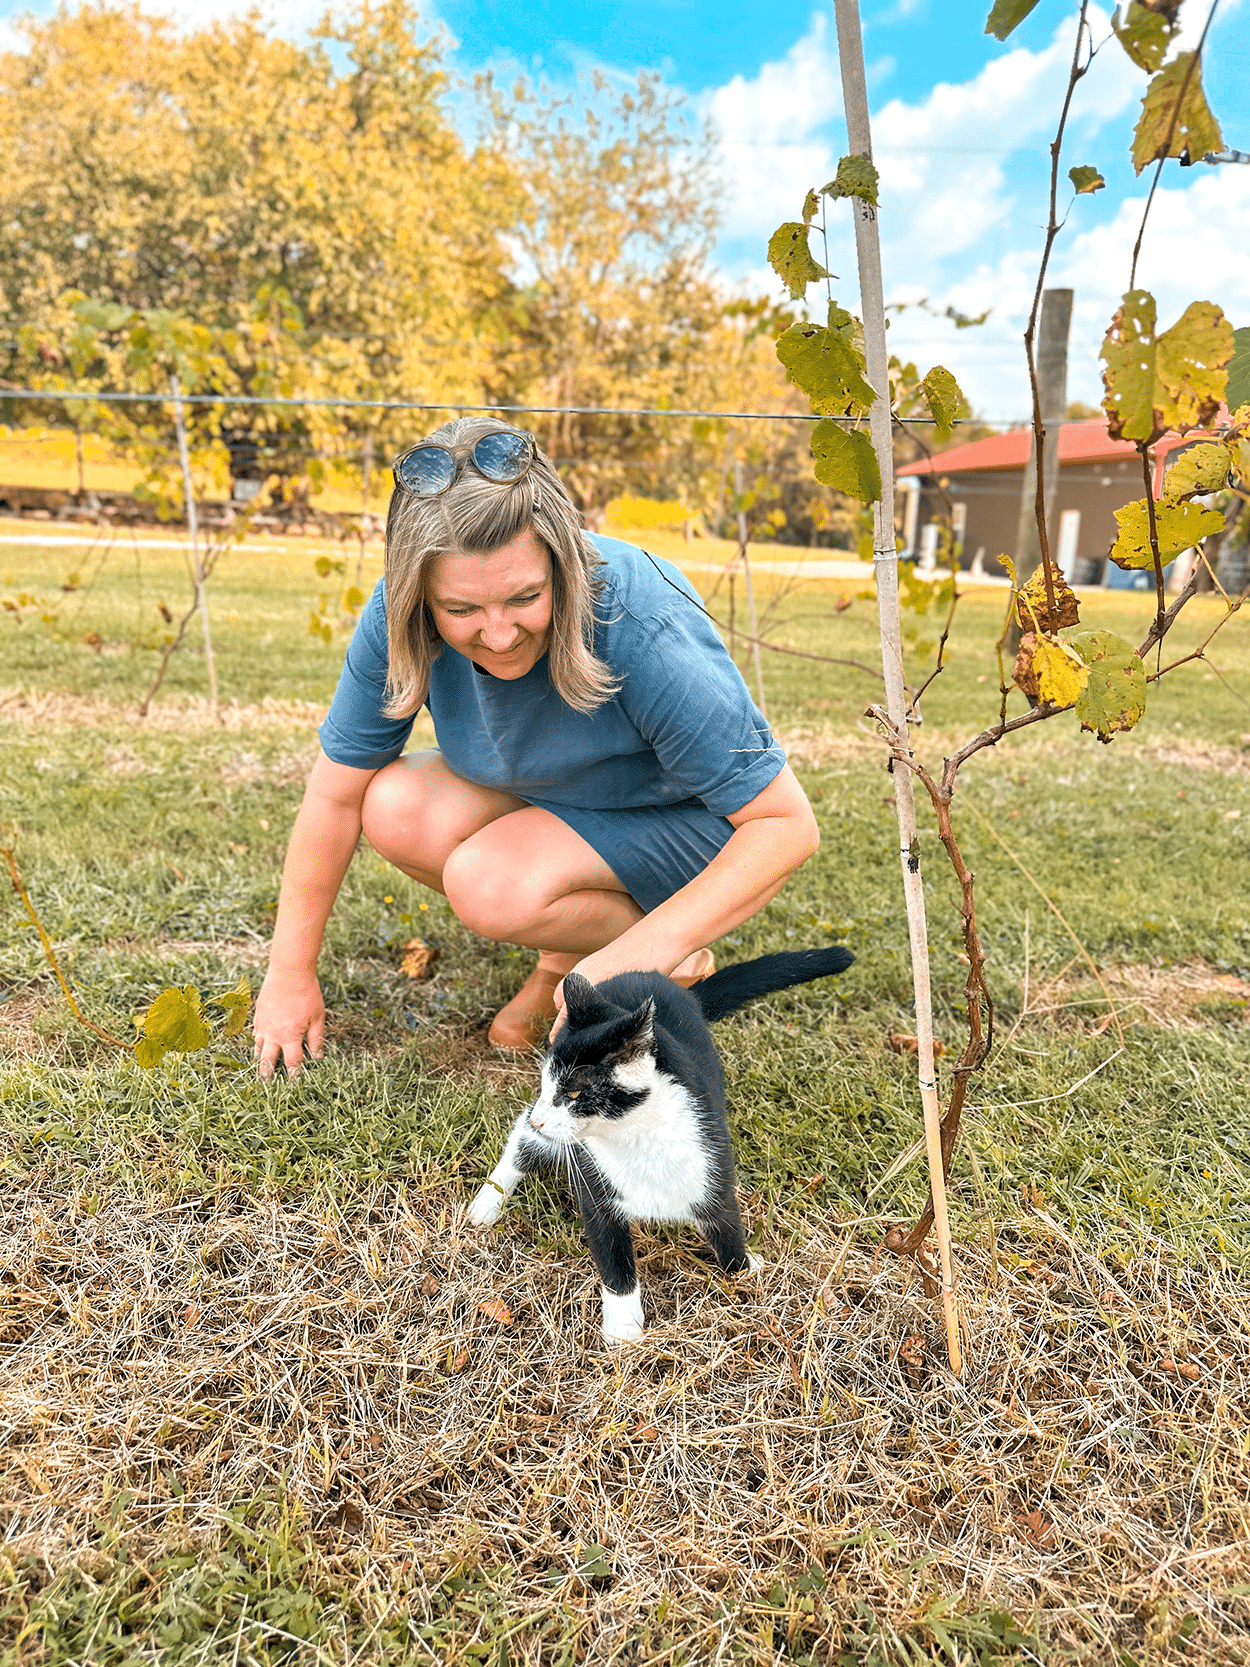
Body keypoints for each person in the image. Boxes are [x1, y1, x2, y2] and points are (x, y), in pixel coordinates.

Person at [252, 417, 820, 1078]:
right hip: (562, 809)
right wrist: (289, 972)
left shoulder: (638, 617)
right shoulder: (395, 615)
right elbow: (333, 796)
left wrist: (631, 957)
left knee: (488, 882)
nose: (498, 635)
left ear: (560, 560)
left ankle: (660, 949)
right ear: (420, 592)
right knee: (395, 803)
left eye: (525, 596)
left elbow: (785, 825)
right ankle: (582, 948)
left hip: (689, 827)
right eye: (462, 609)